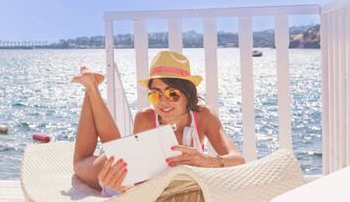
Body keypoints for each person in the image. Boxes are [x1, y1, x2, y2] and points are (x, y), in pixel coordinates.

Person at [72, 50, 245, 197]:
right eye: (156, 94)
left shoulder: (204, 116)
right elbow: (138, 181)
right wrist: (124, 188)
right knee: (80, 162)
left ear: (188, 94)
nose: (163, 102)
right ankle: (91, 88)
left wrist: (206, 160)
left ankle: (91, 83)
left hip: (148, 181)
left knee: (115, 146)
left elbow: (238, 160)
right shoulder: (146, 118)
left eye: (173, 94)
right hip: (123, 177)